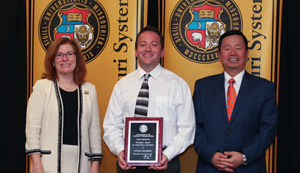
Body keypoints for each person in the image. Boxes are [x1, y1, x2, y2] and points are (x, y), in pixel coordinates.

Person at [103, 26, 195, 173]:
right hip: (128, 163)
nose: (148, 49)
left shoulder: (177, 84)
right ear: (135, 51)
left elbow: (187, 128)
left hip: (165, 163)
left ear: (162, 52)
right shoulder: (122, 85)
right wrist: (121, 151)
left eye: (154, 45)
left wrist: (167, 154)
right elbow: (111, 125)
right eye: (142, 44)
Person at [193, 30, 278, 173]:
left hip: (250, 167)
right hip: (210, 167)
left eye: (238, 48)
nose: (233, 53)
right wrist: (211, 155)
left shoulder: (265, 88)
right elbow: (194, 126)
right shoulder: (202, 87)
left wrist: (244, 156)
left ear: (246, 54)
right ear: (219, 55)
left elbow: (268, 129)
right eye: (227, 48)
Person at [25, 37, 102, 173]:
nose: (64, 58)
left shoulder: (89, 90)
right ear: (53, 61)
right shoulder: (42, 87)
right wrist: (36, 163)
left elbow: (94, 131)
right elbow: (32, 129)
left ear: (76, 59)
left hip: (81, 165)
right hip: (47, 164)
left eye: (69, 54)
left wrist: (95, 164)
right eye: (59, 55)